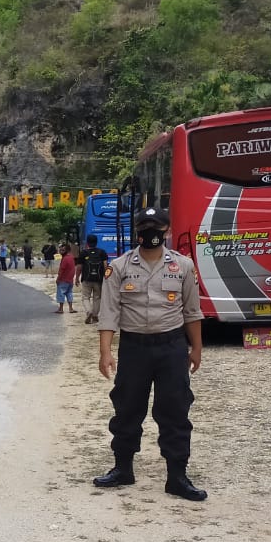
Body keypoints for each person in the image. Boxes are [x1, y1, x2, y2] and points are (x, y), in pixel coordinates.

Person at [93, 207, 207, 502]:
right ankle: (122, 468)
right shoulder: (118, 267)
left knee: (175, 410)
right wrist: (105, 352)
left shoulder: (183, 266)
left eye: (156, 227)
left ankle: (177, 476)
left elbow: (192, 312)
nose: (150, 232)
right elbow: (109, 313)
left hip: (171, 348)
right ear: (137, 232)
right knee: (127, 408)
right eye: (144, 226)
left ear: (167, 230)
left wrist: (196, 348)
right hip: (134, 348)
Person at [75, 233, 109, 324]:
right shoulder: (102, 252)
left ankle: (88, 311)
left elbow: (79, 267)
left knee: (85, 297)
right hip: (98, 279)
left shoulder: (84, 253)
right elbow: (106, 265)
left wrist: (77, 278)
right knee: (97, 297)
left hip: (86, 279)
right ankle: (95, 316)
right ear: (96, 242)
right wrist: (106, 277)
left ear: (87, 243)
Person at [54, 243, 76, 313]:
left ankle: (61, 309)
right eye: (60, 250)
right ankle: (71, 308)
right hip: (70, 280)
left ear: (66, 250)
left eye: (62, 250)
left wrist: (58, 279)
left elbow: (61, 270)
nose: (61, 251)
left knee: (61, 293)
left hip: (63, 279)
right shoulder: (71, 257)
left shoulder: (65, 259)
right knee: (69, 293)